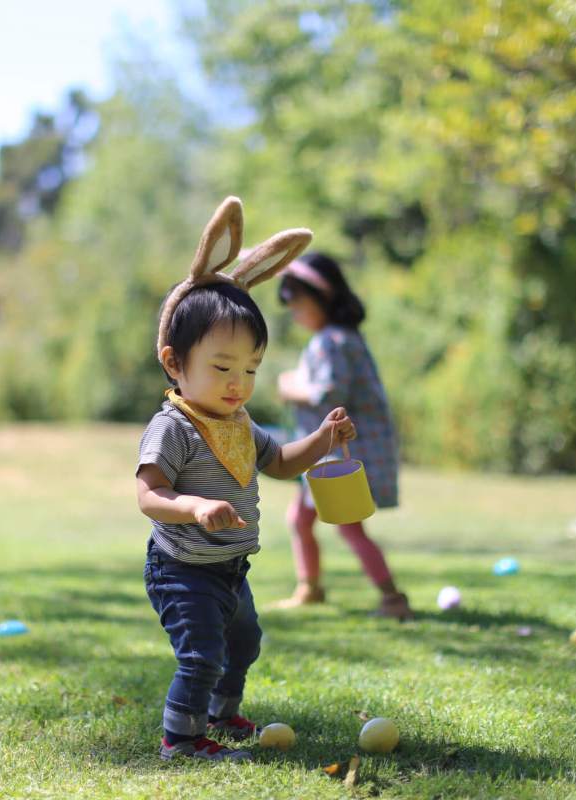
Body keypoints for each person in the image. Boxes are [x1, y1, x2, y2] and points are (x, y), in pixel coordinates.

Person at [136, 198, 358, 761]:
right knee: (201, 654)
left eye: (251, 369)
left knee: (245, 642)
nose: (239, 383)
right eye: (222, 367)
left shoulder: (238, 423)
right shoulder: (174, 427)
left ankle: (221, 714)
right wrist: (194, 507)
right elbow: (148, 495)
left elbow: (281, 461)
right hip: (183, 567)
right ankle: (181, 740)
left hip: (231, 567)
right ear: (174, 361)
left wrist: (324, 440)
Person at [273, 252, 413, 620]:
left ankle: (392, 598)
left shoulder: (330, 341)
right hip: (335, 452)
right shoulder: (342, 337)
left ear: (322, 297)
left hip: (342, 452)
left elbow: (329, 393)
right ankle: (309, 587)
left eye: (296, 302)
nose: (293, 311)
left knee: (350, 528)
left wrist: (291, 387)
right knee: (300, 520)